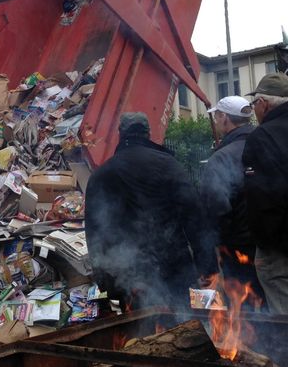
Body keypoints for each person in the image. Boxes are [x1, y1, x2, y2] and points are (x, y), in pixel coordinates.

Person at [84, 112, 218, 310]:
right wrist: (207, 267)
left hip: (129, 273)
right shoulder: (169, 166)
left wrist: (105, 282)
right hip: (174, 266)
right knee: (184, 323)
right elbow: (194, 216)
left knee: (142, 331)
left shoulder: (102, 174)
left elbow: (95, 231)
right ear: (148, 133)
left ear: (121, 134)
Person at [200, 96, 265, 309]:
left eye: (217, 117)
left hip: (238, 252)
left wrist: (216, 247)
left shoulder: (221, 158)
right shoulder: (268, 145)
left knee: (246, 310)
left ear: (224, 118)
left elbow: (216, 210)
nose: (217, 122)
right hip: (272, 244)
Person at [242, 73, 288, 314]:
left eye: (254, 104)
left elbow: (262, 199)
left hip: (279, 250)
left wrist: (267, 246)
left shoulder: (262, 137)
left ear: (264, 104)